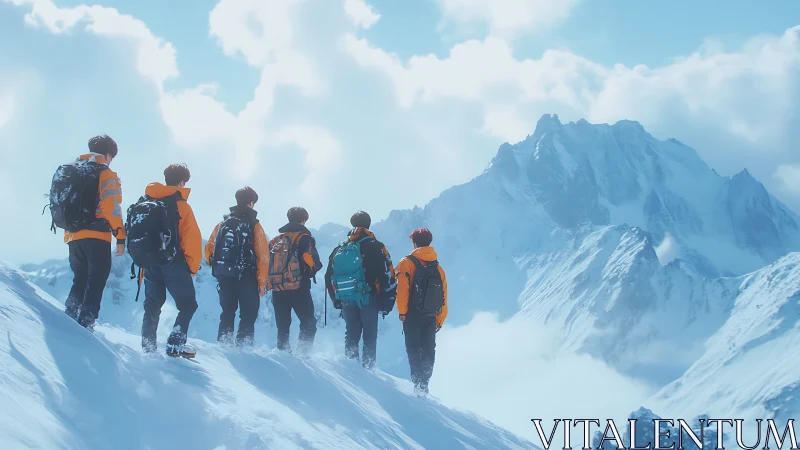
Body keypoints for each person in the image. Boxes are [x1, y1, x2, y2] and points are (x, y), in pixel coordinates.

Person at [60, 135, 126, 330]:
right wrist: (120, 236)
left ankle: (70, 314)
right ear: (108, 155)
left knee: (79, 278)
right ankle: (86, 321)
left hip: (73, 235)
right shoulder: (105, 173)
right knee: (97, 279)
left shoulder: (73, 170)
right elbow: (111, 206)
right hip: (97, 235)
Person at [139, 164, 202, 357]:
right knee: (188, 305)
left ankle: (148, 347)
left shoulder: (147, 202)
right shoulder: (181, 206)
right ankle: (175, 345)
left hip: (150, 263)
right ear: (182, 182)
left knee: (152, 305)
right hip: (174, 263)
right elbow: (191, 240)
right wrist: (192, 268)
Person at [325, 211, 396, 370]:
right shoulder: (376, 246)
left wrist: (337, 299)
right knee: (369, 337)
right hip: (368, 297)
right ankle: (369, 371)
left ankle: (351, 370)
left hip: (347, 297)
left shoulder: (340, 248)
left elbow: (328, 276)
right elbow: (387, 274)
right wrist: (387, 302)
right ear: (369, 225)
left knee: (351, 334)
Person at [205, 187, 269, 347]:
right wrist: (262, 283)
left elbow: (209, 248)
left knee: (227, 313)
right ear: (251, 203)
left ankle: (224, 345)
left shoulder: (223, 223)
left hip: (225, 276)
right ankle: (243, 348)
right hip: (247, 277)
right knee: (248, 315)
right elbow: (262, 256)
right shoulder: (255, 225)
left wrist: (219, 267)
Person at [395, 228, 448, 396]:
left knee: (413, 350)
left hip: (412, 315)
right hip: (431, 316)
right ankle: (424, 384)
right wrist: (440, 319)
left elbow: (402, 290)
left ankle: (417, 385)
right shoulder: (438, 268)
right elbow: (444, 295)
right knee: (428, 351)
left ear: (415, 243)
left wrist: (402, 312)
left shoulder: (406, 263)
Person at [266, 207, 322, 354]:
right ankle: (303, 353)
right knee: (308, 322)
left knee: (283, 326)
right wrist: (312, 271)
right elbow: (312, 262)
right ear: (303, 220)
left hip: (278, 288)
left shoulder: (275, 240)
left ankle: (283, 353)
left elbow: (266, 262)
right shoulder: (305, 238)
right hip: (299, 287)